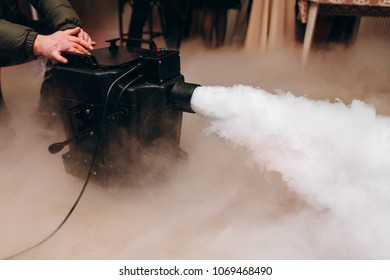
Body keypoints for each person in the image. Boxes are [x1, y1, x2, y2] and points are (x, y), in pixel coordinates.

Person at [0, 0, 95, 132]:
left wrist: (68, 27)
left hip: (12, 28)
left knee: (66, 41)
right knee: (3, 128)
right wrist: (37, 42)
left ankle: (49, 108)